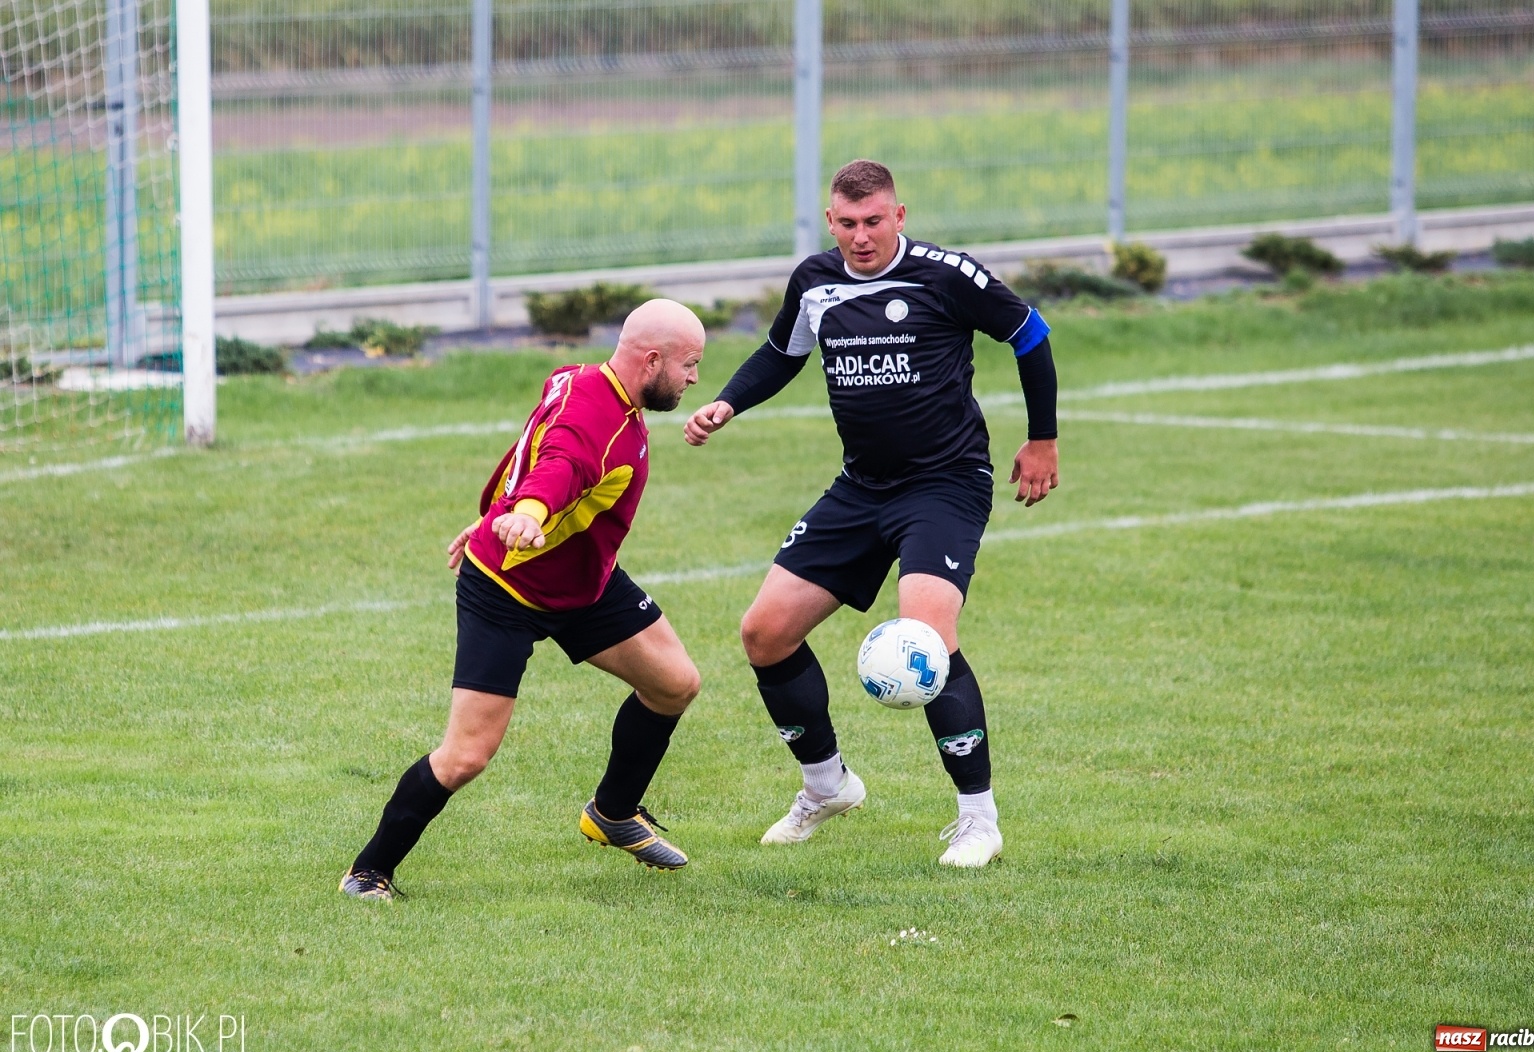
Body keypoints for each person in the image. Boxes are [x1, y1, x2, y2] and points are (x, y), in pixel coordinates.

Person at [684, 159, 1059, 868]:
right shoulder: (815, 281)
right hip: (861, 488)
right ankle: (827, 786)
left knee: (928, 633)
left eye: (874, 221)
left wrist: (1042, 439)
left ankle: (978, 820)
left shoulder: (946, 276)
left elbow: (1031, 335)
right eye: (848, 223)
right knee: (765, 633)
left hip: (945, 484)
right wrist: (727, 402)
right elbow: (781, 353)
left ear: (899, 216)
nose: (861, 236)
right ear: (831, 221)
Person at [342, 299, 707, 900]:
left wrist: (496, 513)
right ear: (651, 360)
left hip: (582, 582)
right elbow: (559, 466)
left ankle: (613, 813)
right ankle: (368, 873)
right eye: (689, 364)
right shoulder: (600, 427)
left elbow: (532, 448)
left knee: (674, 683)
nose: (693, 378)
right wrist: (527, 515)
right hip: (506, 591)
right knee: (466, 756)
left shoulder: (579, 380)